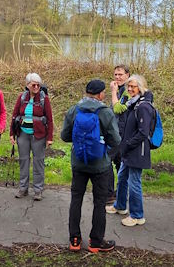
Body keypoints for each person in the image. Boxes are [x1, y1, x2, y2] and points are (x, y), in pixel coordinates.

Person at [62, 79, 121, 253]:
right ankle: (96, 242)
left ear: (87, 92)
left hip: (79, 163)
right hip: (100, 165)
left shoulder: (74, 110)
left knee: (76, 200)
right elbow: (116, 140)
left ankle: (74, 240)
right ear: (101, 94)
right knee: (99, 202)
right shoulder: (105, 112)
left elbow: (65, 136)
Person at [106, 75, 154, 227]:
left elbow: (143, 133)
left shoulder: (144, 106)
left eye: (133, 86)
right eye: (128, 86)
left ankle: (137, 215)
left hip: (137, 150)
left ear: (141, 87)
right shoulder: (133, 103)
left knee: (134, 182)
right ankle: (120, 205)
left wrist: (127, 144)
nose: (130, 89)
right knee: (122, 176)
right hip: (128, 149)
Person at [10, 73, 54, 200]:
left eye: (38, 85)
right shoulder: (21, 97)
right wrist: (12, 133)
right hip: (22, 134)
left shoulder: (44, 99)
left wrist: (49, 137)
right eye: (33, 84)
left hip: (39, 135)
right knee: (23, 161)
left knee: (38, 162)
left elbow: (50, 120)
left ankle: (38, 190)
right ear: (27, 85)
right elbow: (14, 116)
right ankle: (23, 188)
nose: (36, 87)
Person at [106, 64, 130, 205]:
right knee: (117, 163)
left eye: (120, 74)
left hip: (122, 134)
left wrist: (113, 92)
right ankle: (117, 194)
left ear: (127, 75)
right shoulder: (121, 89)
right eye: (115, 74)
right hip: (115, 132)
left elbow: (118, 110)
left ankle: (111, 194)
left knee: (109, 161)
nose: (117, 77)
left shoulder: (128, 90)